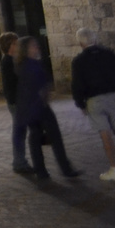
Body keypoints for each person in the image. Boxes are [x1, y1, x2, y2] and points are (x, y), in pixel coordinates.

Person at [15, 36, 80, 180]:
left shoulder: (24, 64)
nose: (37, 48)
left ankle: (42, 171)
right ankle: (65, 169)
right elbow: (39, 85)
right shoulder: (31, 65)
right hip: (39, 107)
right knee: (54, 137)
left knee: (35, 138)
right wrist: (45, 94)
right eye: (33, 46)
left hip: (29, 108)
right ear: (26, 49)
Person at [70, 27, 115, 182]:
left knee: (105, 134)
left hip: (95, 100)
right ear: (94, 39)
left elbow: (77, 84)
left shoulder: (79, 61)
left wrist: (80, 103)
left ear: (81, 43)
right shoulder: (109, 54)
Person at [0, 31, 32, 173]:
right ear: (8, 46)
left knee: (21, 132)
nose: (17, 45)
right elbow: (15, 83)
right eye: (14, 43)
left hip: (19, 101)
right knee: (20, 132)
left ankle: (20, 161)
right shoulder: (8, 61)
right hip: (17, 102)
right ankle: (19, 162)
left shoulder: (13, 60)